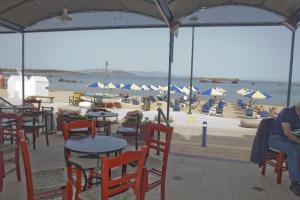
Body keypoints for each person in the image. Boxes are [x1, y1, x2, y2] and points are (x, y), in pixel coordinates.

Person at [268, 102, 300, 196]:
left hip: (289, 140)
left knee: (295, 150)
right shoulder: (287, 112)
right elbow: (287, 133)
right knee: (293, 151)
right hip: (276, 139)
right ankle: (295, 182)